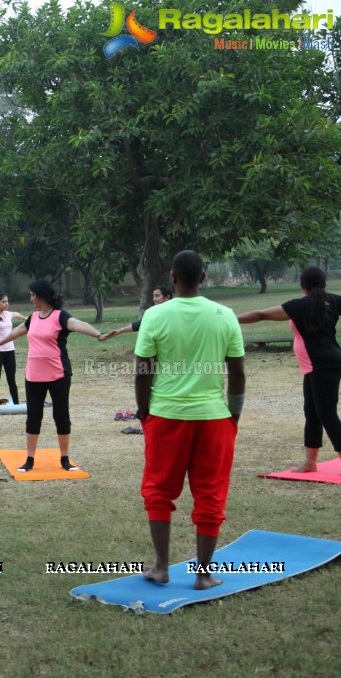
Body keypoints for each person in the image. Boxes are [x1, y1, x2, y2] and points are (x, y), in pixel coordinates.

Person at [135, 250, 245, 590]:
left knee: (158, 491)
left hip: (166, 416)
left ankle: (161, 568)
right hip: (214, 418)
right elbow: (237, 372)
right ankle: (203, 574)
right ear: (203, 278)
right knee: (210, 493)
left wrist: (143, 411)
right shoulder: (225, 315)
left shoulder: (155, 315)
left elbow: (143, 370)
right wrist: (234, 413)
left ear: (172, 278)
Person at [0, 280, 106, 472]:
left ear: (41, 296)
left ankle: (65, 459)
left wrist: (99, 334)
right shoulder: (33, 317)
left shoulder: (60, 317)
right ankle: (29, 459)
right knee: (33, 417)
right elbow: (17, 332)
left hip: (58, 374)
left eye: (32, 295)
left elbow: (78, 324)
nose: (31, 298)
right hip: (34, 375)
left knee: (61, 416)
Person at [237, 266, 340, 473]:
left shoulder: (298, 306)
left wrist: (230, 318)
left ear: (302, 285)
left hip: (322, 365)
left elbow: (260, 314)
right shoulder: (334, 300)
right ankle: (310, 463)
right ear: (325, 284)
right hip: (318, 365)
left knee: (326, 413)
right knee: (312, 412)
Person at [103, 285, 174, 339]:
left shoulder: (171, 312)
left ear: (167, 297)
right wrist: (120, 331)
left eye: (157, 296)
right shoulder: (155, 312)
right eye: (153, 296)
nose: (154, 299)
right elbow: (139, 325)